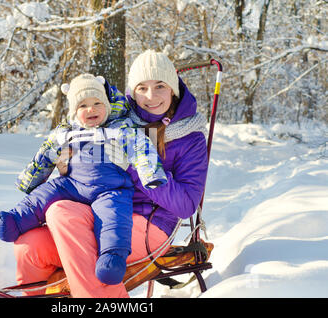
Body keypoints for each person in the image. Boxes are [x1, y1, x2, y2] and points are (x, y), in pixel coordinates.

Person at [12, 49, 209, 298]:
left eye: (160, 86)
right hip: (98, 211)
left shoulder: (189, 136)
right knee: (31, 246)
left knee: (84, 241)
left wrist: (135, 168)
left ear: (173, 89)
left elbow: (185, 205)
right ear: (132, 92)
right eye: (142, 87)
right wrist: (70, 167)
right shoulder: (113, 119)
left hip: (149, 223)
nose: (151, 96)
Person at [0, 73, 168, 285]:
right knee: (44, 194)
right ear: (74, 112)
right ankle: (16, 220)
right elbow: (45, 155)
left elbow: (141, 147)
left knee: (113, 219)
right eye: (83, 105)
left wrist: (151, 173)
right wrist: (28, 180)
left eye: (97, 103)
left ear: (107, 106)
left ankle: (111, 259)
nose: (91, 109)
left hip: (111, 188)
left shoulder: (119, 128)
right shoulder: (67, 132)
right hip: (73, 185)